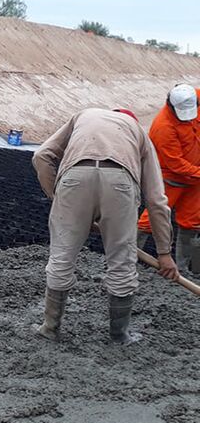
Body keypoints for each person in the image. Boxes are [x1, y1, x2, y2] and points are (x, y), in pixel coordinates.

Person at [32, 108, 178, 345]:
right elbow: (156, 200)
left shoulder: (83, 115)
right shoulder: (139, 133)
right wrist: (164, 253)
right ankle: (119, 336)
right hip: (120, 184)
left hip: (74, 179)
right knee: (122, 263)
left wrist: (57, 198)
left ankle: (49, 328)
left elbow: (41, 156)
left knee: (61, 258)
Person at [137, 84, 200, 275]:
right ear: (171, 105)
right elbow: (176, 164)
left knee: (191, 222)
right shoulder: (163, 127)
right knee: (151, 219)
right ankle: (128, 260)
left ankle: (184, 270)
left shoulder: (194, 96)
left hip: (195, 181)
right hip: (171, 179)